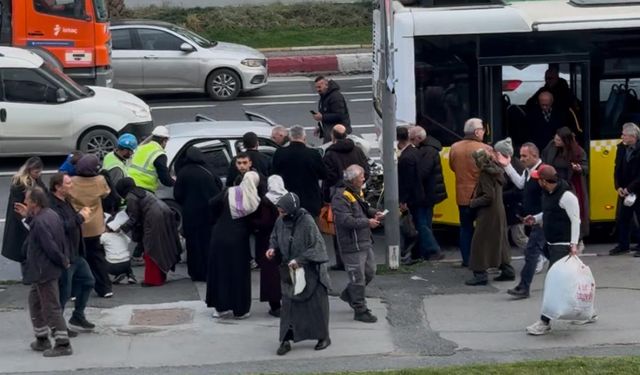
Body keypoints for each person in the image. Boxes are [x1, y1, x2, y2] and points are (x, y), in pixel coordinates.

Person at [523, 165, 586, 336]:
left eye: (538, 179)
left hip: (562, 245)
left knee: (553, 284)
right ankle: (587, 311)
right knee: (572, 281)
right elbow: (549, 212)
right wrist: (535, 219)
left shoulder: (567, 196)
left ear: (544, 181)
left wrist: (573, 244)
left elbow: (576, 221)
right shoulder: (549, 194)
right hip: (552, 243)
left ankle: (545, 321)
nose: (537, 182)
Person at [266, 192, 332, 356]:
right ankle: (286, 340)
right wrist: (272, 248)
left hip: (311, 271)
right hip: (290, 270)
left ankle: (323, 337)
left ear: (292, 210)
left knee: (316, 306)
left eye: (282, 211)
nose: (280, 214)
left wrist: (301, 259)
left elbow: (317, 247)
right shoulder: (280, 221)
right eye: (279, 211)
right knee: (288, 305)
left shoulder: (307, 221)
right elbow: (275, 236)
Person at [19, 187, 72, 357]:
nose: (25, 202)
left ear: (34, 203)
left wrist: (63, 261)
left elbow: (51, 247)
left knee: (50, 307)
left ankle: (63, 343)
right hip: (43, 270)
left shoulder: (40, 222)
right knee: (35, 302)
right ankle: (42, 338)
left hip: (44, 271)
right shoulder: (50, 214)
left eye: (27, 199)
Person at [332, 164, 383, 323]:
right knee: (357, 278)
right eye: (361, 176)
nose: (364, 178)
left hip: (364, 241)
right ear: (353, 179)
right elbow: (345, 220)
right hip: (352, 244)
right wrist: (367, 222)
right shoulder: (341, 197)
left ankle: (350, 295)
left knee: (370, 272)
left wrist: (374, 213)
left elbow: (363, 208)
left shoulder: (356, 192)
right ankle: (360, 309)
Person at [206, 172, 261, 319]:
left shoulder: (228, 192)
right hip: (239, 239)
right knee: (239, 273)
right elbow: (256, 222)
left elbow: (211, 203)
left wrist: (218, 219)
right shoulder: (254, 199)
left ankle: (220, 308)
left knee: (220, 271)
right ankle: (240, 309)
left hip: (219, 234)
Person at [496, 143, 547, 299]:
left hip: (542, 221)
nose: (522, 159)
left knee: (532, 252)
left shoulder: (543, 172)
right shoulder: (528, 171)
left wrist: (540, 218)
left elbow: (551, 198)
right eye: (521, 155)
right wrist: (507, 166)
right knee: (550, 252)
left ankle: (523, 287)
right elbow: (520, 184)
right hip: (535, 219)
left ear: (535, 156)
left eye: (525, 156)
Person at [47, 173, 96, 331]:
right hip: (65, 255)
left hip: (76, 253)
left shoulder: (66, 200)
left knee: (88, 281)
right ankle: (58, 326)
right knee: (64, 293)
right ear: (58, 187)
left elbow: (71, 221)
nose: (71, 186)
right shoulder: (51, 205)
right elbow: (61, 227)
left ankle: (78, 316)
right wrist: (80, 217)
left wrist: (80, 215)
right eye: (68, 183)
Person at [115, 178, 182, 287]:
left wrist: (121, 228)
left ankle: (153, 280)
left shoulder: (131, 197)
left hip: (154, 219)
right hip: (165, 212)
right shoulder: (141, 191)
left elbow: (133, 218)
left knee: (151, 249)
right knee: (161, 247)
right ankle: (161, 276)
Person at [465, 149, 515, 286]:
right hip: (499, 210)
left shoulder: (485, 174)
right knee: (500, 240)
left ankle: (480, 274)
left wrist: (473, 202)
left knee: (479, 242)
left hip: (488, 213)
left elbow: (488, 196)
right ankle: (507, 270)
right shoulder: (497, 170)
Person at [323, 124, 370, 270]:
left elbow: (328, 177)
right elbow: (366, 170)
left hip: (338, 192)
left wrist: (325, 196)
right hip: (357, 192)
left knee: (340, 227)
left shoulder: (330, 154)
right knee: (359, 221)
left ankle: (342, 261)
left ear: (333, 136)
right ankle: (362, 257)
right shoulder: (357, 150)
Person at [174, 146, 223, 281]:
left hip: (191, 214)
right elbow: (219, 187)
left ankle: (196, 272)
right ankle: (209, 272)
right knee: (208, 242)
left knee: (194, 244)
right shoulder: (208, 170)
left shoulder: (184, 172)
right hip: (209, 213)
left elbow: (177, 195)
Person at [67, 154, 113, 298]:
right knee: (97, 257)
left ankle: (75, 291)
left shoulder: (72, 182)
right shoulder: (100, 180)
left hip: (78, 224)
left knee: (77, 258)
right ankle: (104, 288)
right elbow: (106, 193)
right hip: (95, 226)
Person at [449, 118, 492, 267]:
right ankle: (481, 259)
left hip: (462, 195)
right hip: (480, 196)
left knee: (465, 228)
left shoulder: (455, 148)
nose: (484, 132)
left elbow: (453, 167)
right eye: (482, 130)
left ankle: (466, 259)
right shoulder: (486, 149)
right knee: (482, 229)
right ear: (477, 132)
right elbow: (490, 171)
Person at [542, 126, 589, 242]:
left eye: (559, 140)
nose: (556, 141)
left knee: (571, 213)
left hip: (569, 185)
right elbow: (544, 158)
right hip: (553, 183)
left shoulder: (577, 151)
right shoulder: (551, 146)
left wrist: (579, 168)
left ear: (565, 141)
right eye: (555, 139)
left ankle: (576, 238)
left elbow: (585, 167)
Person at [409, 126, 447, 261]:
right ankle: (423, 252)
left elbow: (422, 172)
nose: (411, 142)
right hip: (430, 192)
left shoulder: (427, 151)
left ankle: (433, 250)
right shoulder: (430, 148)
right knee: (425, 222)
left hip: (425, 193)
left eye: (412, 139)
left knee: (421, 223)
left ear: (419, 138)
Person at [271, 125, 327, 217]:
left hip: (288, 201)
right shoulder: (313, 154)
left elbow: (274, 175)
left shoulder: (280, 153)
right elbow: (324, 174)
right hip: (310, 201)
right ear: (304, 137)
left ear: (290, 137)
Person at [2, 157, 46, 269]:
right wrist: (26, 220)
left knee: (29, 251)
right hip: (22, 222)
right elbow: (16, 207)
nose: (39, 174)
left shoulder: (35, 180)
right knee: (26, 251)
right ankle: (30, 277)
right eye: (36, 172)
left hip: (29, 219)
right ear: (29, 170)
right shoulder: (20, 185)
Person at [252, 175, 287, 317]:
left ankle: (275, 306)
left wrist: (251, 224)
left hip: (268, 241)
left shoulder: (266, 201)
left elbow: (263, 222)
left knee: (271, 273)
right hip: (285, 240)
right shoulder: (289, 198)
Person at [610, 123, 640, 256]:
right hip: (625, 189)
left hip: (637, 189)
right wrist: (619, 187)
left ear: (633, 136)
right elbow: (617, 168)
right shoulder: (621, 148)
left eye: (624, 134)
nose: (622, 136)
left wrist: (630, 188)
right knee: (623, 218)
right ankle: (623, 245)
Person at [494, 138, 528, 249]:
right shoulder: (509, 164)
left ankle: (536, 253)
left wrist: (500, 195)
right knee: (504, 235)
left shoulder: (515, 166)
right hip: (510, 207)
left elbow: (519, 190)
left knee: (518, 237)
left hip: (514, 208)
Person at [397, 126, 422, 262]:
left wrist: (403, 200)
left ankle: (413, 254)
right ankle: (416, 254)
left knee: (410, 227)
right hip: (417, 194)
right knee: (416, 225)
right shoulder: (414, 151)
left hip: (410, 198)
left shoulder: (406, 158)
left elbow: (406, 182)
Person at [128, 126, 174, 193]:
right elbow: (165, 180)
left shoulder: (140, 148)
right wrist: (174, 182)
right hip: (143, 190)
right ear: (164, 141)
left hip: (128, 185)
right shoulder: (159, 154)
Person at [101, 133, 138, 216]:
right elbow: (115, 191)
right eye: (131, 151)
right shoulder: (116, 169)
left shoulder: (111, 155)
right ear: (124, 150)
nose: (132, 153)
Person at [313, 76, 351, 142]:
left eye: (319, 87)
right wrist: (320, 127)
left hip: (339, 134)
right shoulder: (324, 96)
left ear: (326, 85)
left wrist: (322, 117)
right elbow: (326, 112)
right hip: (331, 133)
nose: (317, 90)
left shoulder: (335, 97)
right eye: (316, 87)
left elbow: (339, 115)